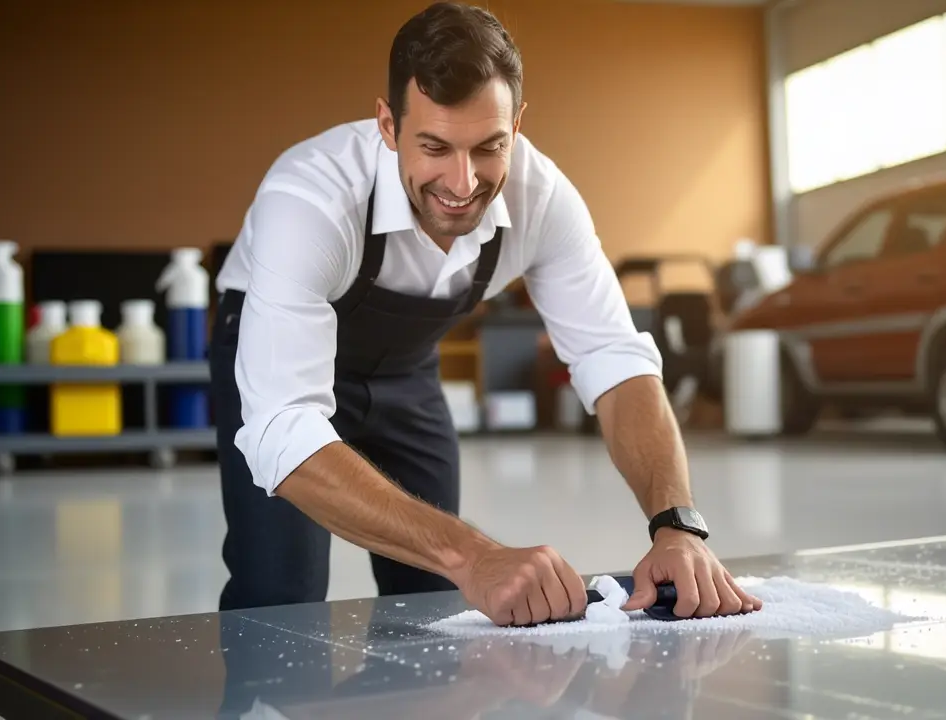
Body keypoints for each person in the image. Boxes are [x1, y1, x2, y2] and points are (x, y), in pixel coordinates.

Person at [210, 1, 762, 627]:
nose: (464, 181)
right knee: (280, 589)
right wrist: (476, 554)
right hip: (268, 361)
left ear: (518, 126)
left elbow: (615, 359)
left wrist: (676, 525)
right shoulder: (311, 198)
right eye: (436, 146)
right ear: (388, 125)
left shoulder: (543, 198)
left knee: (432, 599)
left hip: (405, 373)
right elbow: (285, 425)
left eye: (489, 147)